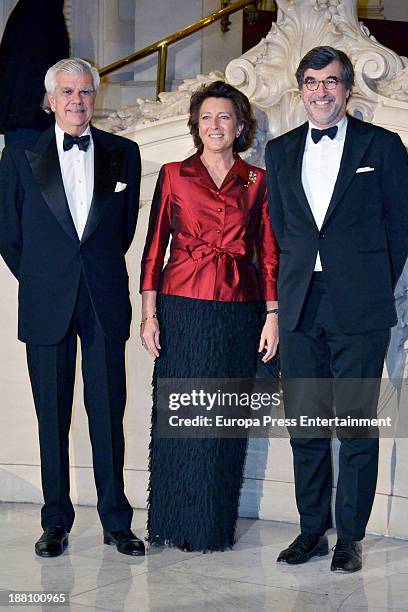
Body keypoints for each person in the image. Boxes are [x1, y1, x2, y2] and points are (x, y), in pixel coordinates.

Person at [265, 46, 408, 572]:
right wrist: (279, 303)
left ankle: (349, 536)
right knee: (305, 424)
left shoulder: (383, 145)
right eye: (310, 82)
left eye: (329, 82)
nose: (320, 91)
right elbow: (279, 231)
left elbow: (401, 224)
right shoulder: (279, 151)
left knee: (354, 425)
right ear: (300, 89)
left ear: (347, 89)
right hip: (302, 303)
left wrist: (372, 281)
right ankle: (311, 531)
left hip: (360, 307)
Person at [0, 58, 144, 558]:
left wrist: (87, 273)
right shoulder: (19, 154)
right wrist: (46, 279)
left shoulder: (124, 153)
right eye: (67, 92)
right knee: (51, 416)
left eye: (85, 91)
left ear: (94, 97)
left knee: (108, 413)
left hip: (103, 298)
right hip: (46, 301)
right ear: (50, 98)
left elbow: (122, 231)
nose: (77, 100)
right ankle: (55, 521)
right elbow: (9, 235)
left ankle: (116, 522)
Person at [140, 80, 279, 552]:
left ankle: (211, 527)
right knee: (181, 417)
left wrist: (272, 315)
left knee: (221, 423)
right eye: (206, 118)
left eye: (224, 117)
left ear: (240, 126)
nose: (214, 125)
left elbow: (270, 254)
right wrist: (149, 314)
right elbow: (153, 248)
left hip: (239, 312)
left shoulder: (259, 180)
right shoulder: (175, 174)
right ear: (195, 126)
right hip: (182, 309)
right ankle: (173, 523)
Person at [0, 0, 69, 146]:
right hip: (32, 113)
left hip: (23, 111)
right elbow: (36, 59)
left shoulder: (29, 8)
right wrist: (45, 93)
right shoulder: (42, 9)